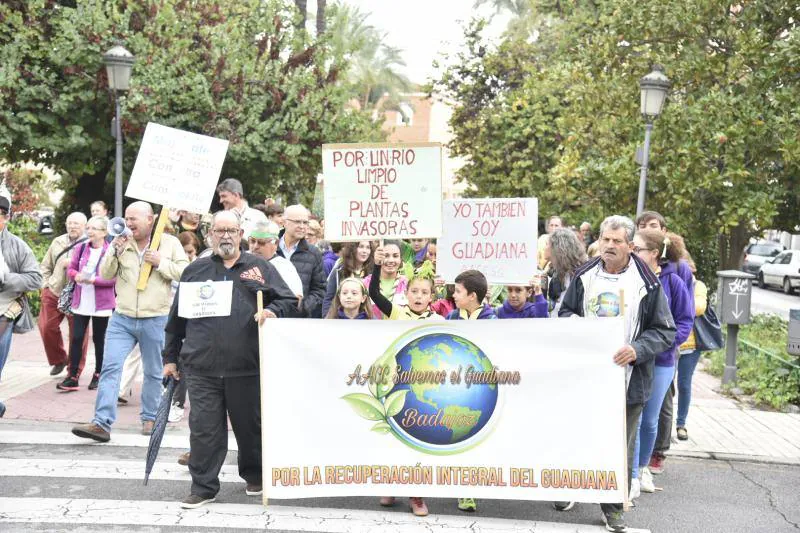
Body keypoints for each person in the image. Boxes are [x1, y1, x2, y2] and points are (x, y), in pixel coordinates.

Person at [163, 211, 298, 509]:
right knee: (204, 430)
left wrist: (271, 312)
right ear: (210, 234)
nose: (226, 236)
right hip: (201, 367)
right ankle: (203, 487)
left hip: (247, 366)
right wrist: (170, 358)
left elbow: (288, 300)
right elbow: (176, 321)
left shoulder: (259, 267)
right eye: (220, 230)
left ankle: (255, 475)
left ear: (241, 235)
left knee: (250, 428)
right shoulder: (194, 271)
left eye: (232, 230)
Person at [556, 215, 676, 532]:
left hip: (629, 381)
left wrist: (637, 349)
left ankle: (613, 507)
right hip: (586, 377)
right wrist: (577, 330)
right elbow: (565, 312)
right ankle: (569, 488)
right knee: (577, 434)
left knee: (618, 446)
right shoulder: (584, 276)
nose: (609, 246)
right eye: (605, 239)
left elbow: (665, 331)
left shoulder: (647, 283)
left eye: (616, 241)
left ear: (630, 245)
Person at [71, 201, 189, 442]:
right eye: (127, 218)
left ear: (150, 219)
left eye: (135, 218)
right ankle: (101, 423)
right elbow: (105, 274)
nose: (129, 223)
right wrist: (113, 250)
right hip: (122, 318)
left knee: (155, 372)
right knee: (110, 368)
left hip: (155, 318)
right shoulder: (121, 242)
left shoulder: (170, 243)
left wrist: (161, 263)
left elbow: (186, 272)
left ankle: (149, 418)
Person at [369, 247, 439, 517]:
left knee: (416, 442)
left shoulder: (439, 319)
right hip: (395, 386)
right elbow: (374, 294)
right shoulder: (396, 313)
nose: (419, 296)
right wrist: (376, 266)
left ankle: (416, 495)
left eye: (424, 292)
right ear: (405, 293)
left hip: (424, 390)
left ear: (431, 297)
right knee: (392, 439)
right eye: (414, 292)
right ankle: (390, 483)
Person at [630, 229, 693, 498]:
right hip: (632, 359)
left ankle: (642, 467)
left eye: (639, 248)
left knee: (649, 419)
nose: (633, 251)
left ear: (654, 253)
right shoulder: (630, 279)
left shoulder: (674, 283)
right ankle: (631, 474)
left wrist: (658, 345)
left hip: (662, 360)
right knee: (634, 416)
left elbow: (685, 322)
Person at [444, 269, 496, 513]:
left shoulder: (492, 320)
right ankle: (463, 488)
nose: (453, 295)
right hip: (455, 388)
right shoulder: (452, 317)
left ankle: (472, 485)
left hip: (481, 388)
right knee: (459, 436)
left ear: (473, 296)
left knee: (477, 438)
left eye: (458, 291)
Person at [57, 216, 116, 392]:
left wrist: (92, 280)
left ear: (104, 232)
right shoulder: (81, 248)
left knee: (99, 339)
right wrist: (76, 276)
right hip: (81, 300)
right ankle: (72, 376)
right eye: (88, 228)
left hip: (102, 303)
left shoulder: (110, 251)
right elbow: (71, 268)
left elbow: (112, 279)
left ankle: (98, 374)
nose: (89, 231)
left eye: (94, 229)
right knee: (76, 338)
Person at [0, 191, 43, 417]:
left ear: (7, 218)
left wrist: (7, 279)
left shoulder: (18, 246)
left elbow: (36, 278)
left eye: (1, 214)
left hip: (5, 313)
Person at [38, 212, 90, 377]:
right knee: (46, 327)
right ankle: (59, 359)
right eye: (70, 223)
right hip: (54, 291)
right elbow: (45, 265)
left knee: (78, 334)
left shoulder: (91, 244)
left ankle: (74, 370)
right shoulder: (58, 241)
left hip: (78, 293)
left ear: (85, 226)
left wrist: (75, 265)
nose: (72, 226)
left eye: (76, 224)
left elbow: (98, 269)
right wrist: (45, 284)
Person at [675, 259, 708, 442]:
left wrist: (679, 298)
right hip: (669, 343)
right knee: (665, 388)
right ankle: (663, 423)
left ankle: (681, 423)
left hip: (690, 344)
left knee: (684, 384)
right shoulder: (670, 281)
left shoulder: (698, 285)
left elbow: (698, 308)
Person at [276, 205, 326, 318]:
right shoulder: (270, 248)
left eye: (305, 222)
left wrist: (303, 307)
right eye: (297, 222)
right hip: (271, 318)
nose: (302, 226)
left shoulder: (313, 253)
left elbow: (320, 290)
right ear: (284, 222)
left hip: (300, 321)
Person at [247, 221, 304, 299]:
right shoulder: (241, 260)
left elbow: (296, 299)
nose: (255, 246)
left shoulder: (284, 267)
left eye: (261, 242)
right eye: (252, 241)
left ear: (276, 243)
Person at [322, 241, 373, 317]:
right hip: (341, 319)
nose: (364, 251)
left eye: (368, 247)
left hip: (366, 319)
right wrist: (327, 318)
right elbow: (329, 298)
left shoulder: (373, 271)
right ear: (352, 248)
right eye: (361, 247)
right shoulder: (339, 270)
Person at [544, 229, 588, 316]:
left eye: (547, 244)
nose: (544, 248)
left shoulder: (579, 276)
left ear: (557, 248)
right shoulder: (554, 272)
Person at [363, 241, 407, 319]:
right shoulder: (365, 284)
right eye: (386, 256)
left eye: (395, 256)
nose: (391, 260)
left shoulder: (407, 284)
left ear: (400, 260)